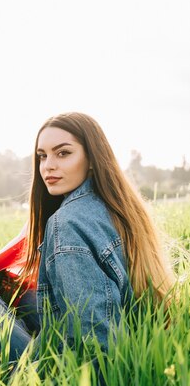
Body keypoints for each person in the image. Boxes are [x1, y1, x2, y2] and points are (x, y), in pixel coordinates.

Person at [21, 111, 175, 351]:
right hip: (138, 342)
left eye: (63, 153)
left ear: (92, 158)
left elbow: (94, 339)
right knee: (26, 300)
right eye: (42, 156)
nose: (48, 166)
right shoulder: (118, 206)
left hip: (71, 372)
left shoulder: (66, 223)